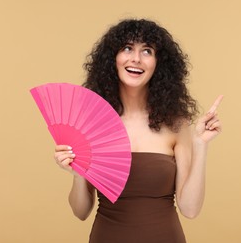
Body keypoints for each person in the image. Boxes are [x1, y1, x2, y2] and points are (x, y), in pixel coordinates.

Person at [54, 18, 223, 243]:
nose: (136, 58)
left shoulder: (176, 124)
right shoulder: (90, 124)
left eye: (147, 51)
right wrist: (77, 174)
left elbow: (190, 209)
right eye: (127, 48)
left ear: (158, 63)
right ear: (112, 59)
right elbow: (81, 211)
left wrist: (200, 146)